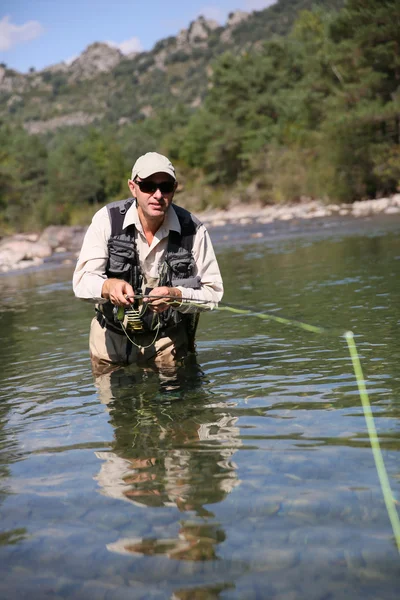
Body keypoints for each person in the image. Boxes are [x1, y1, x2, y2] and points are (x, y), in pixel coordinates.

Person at [73, 152, 223, 375]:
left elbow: (213, 294)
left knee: (179, 407)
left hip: (168, 342)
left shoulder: (193, 230)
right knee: (120, 409)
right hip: (110, 342)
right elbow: (82, 283)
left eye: (166, 186)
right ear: (133, 187)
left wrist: (177, 295)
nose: (158, 194)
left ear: (175, 188)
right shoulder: (106, 220)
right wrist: (108, 287)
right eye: (148, 186)